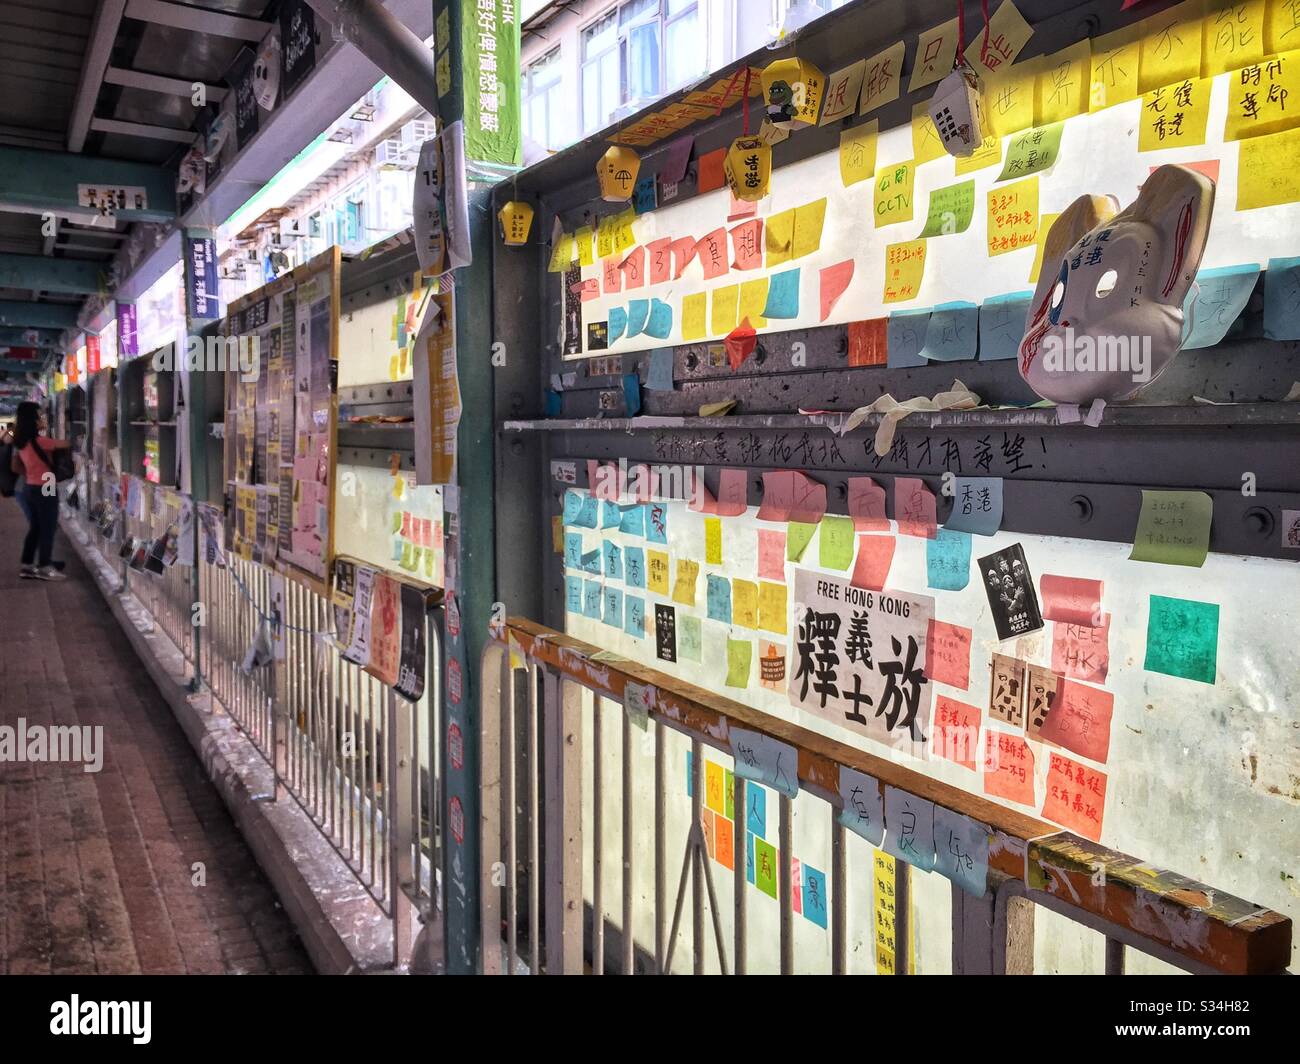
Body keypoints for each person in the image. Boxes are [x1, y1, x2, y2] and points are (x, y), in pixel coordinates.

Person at [9, 401, 70, 580]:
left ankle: (27, 565)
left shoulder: (21, 442)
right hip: (47, 484)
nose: (41, 418)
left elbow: (16, 466)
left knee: (36, 527)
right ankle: (45, 566)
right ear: (32, 420)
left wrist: (32, 474)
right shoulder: (41, 441)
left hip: (30, 485)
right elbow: (65, 443)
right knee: (48, 527)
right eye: (39, 416)